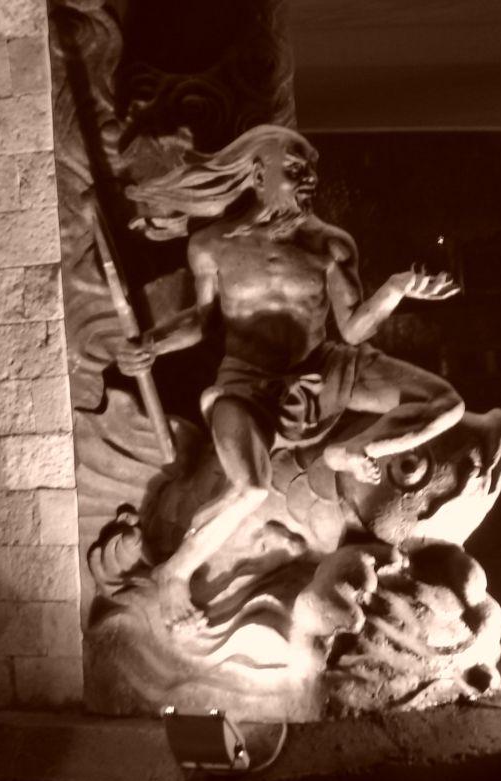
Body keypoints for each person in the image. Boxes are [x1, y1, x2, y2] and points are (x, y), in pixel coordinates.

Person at [118, 125, 463, 628]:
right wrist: (153, 342)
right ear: (259, 175)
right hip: (246, 384)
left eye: (312, 171)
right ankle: (173, 574)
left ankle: (352, 451)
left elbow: (353, 327)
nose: (309, 180)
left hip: (323, 368)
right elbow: (204, 320)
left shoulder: (331, 244)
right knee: (251, 488)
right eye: (296, 170)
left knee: (445, 404)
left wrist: (394, 289)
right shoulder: (211, 244)